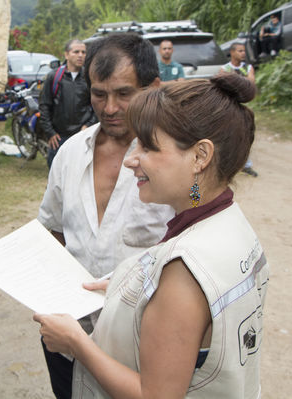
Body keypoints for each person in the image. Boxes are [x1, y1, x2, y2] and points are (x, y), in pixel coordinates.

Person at [34, 73, 269, 398]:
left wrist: (76, 343)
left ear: (200, 156)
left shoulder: (183, 270)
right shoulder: (228, 221)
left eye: (147, 146)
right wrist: (125, 284)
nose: (131, 160)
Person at [37, 33, 174, 399]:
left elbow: (198, 222)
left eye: (124, 93)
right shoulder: (69, 154)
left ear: (153, 87)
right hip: (70, 337)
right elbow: (51, 228)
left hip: (141, 345)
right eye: (99, 94)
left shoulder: (179, 160)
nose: (110, 107)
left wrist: (196, 183)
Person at [39, 39, 96, 168]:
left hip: (82, 137)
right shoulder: (54, 77)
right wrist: (50, 132)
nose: (80, 55)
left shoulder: (90, 78)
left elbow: (97, 105)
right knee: (57, 177)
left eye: (83, 52)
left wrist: (88, 125)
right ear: (66, 55)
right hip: (59, 138)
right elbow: (44, 106)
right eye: (76, 52)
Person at [221, 43, 258, 177]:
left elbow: (251, 84)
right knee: (228, 135)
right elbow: (223, 86)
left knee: (246, 135)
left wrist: (233, 80)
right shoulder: (224, 68)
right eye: (240, 51)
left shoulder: (248, 67)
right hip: (229, 107)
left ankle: (246, 164)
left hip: (243, 106)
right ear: (232, 52)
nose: (243, 53)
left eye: (244, 51)